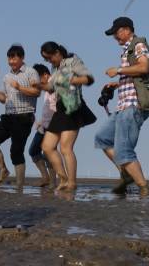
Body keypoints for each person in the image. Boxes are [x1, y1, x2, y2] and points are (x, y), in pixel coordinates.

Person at [95, 17, 149, 197]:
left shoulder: (138, 45)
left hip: (134, 105)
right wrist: (118, 84)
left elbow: (143, 67)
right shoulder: (126, 50)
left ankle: (144, 188)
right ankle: (126, 174)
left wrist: (118, 70)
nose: (115, 37)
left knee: (124, 149)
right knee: (102, 138)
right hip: (123, 104)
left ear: (125, 30)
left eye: (116, 33)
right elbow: (135, 75)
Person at [39, 42, 94, 192]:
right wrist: (39, 85)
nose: (50, 61)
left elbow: (88, 79)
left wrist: (72, 80)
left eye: (50, 58)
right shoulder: (54, 67)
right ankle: (62, 177)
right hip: (60, 108)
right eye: (47, 60)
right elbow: (52, 88)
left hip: (73, 107)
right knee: (47, 147)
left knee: (65, 147)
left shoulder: (73, 60)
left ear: (57, 52)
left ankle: (72, 182)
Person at [0, 44, 41, 190]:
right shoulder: (7, 76)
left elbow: (36, 92)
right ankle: (3, 170)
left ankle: (19, 186)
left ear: (22, 58)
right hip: (8, 116)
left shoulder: (31, 72)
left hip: (24, 116)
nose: (11, 61)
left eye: (14, 58)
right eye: (9, 58)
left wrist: (19, 87)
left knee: (16, 151)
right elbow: (4, 99)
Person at [28, 63, 56, 187]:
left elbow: (56, 106)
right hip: (44, 124)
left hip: (53, 125)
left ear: (44, 75)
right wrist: (41, 121)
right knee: (33, 150)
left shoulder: (53, 83)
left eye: (37, 78)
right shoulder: (46, 88)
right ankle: (45, 177)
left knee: (48, 152)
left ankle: (52, 181)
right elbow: (48, 108)